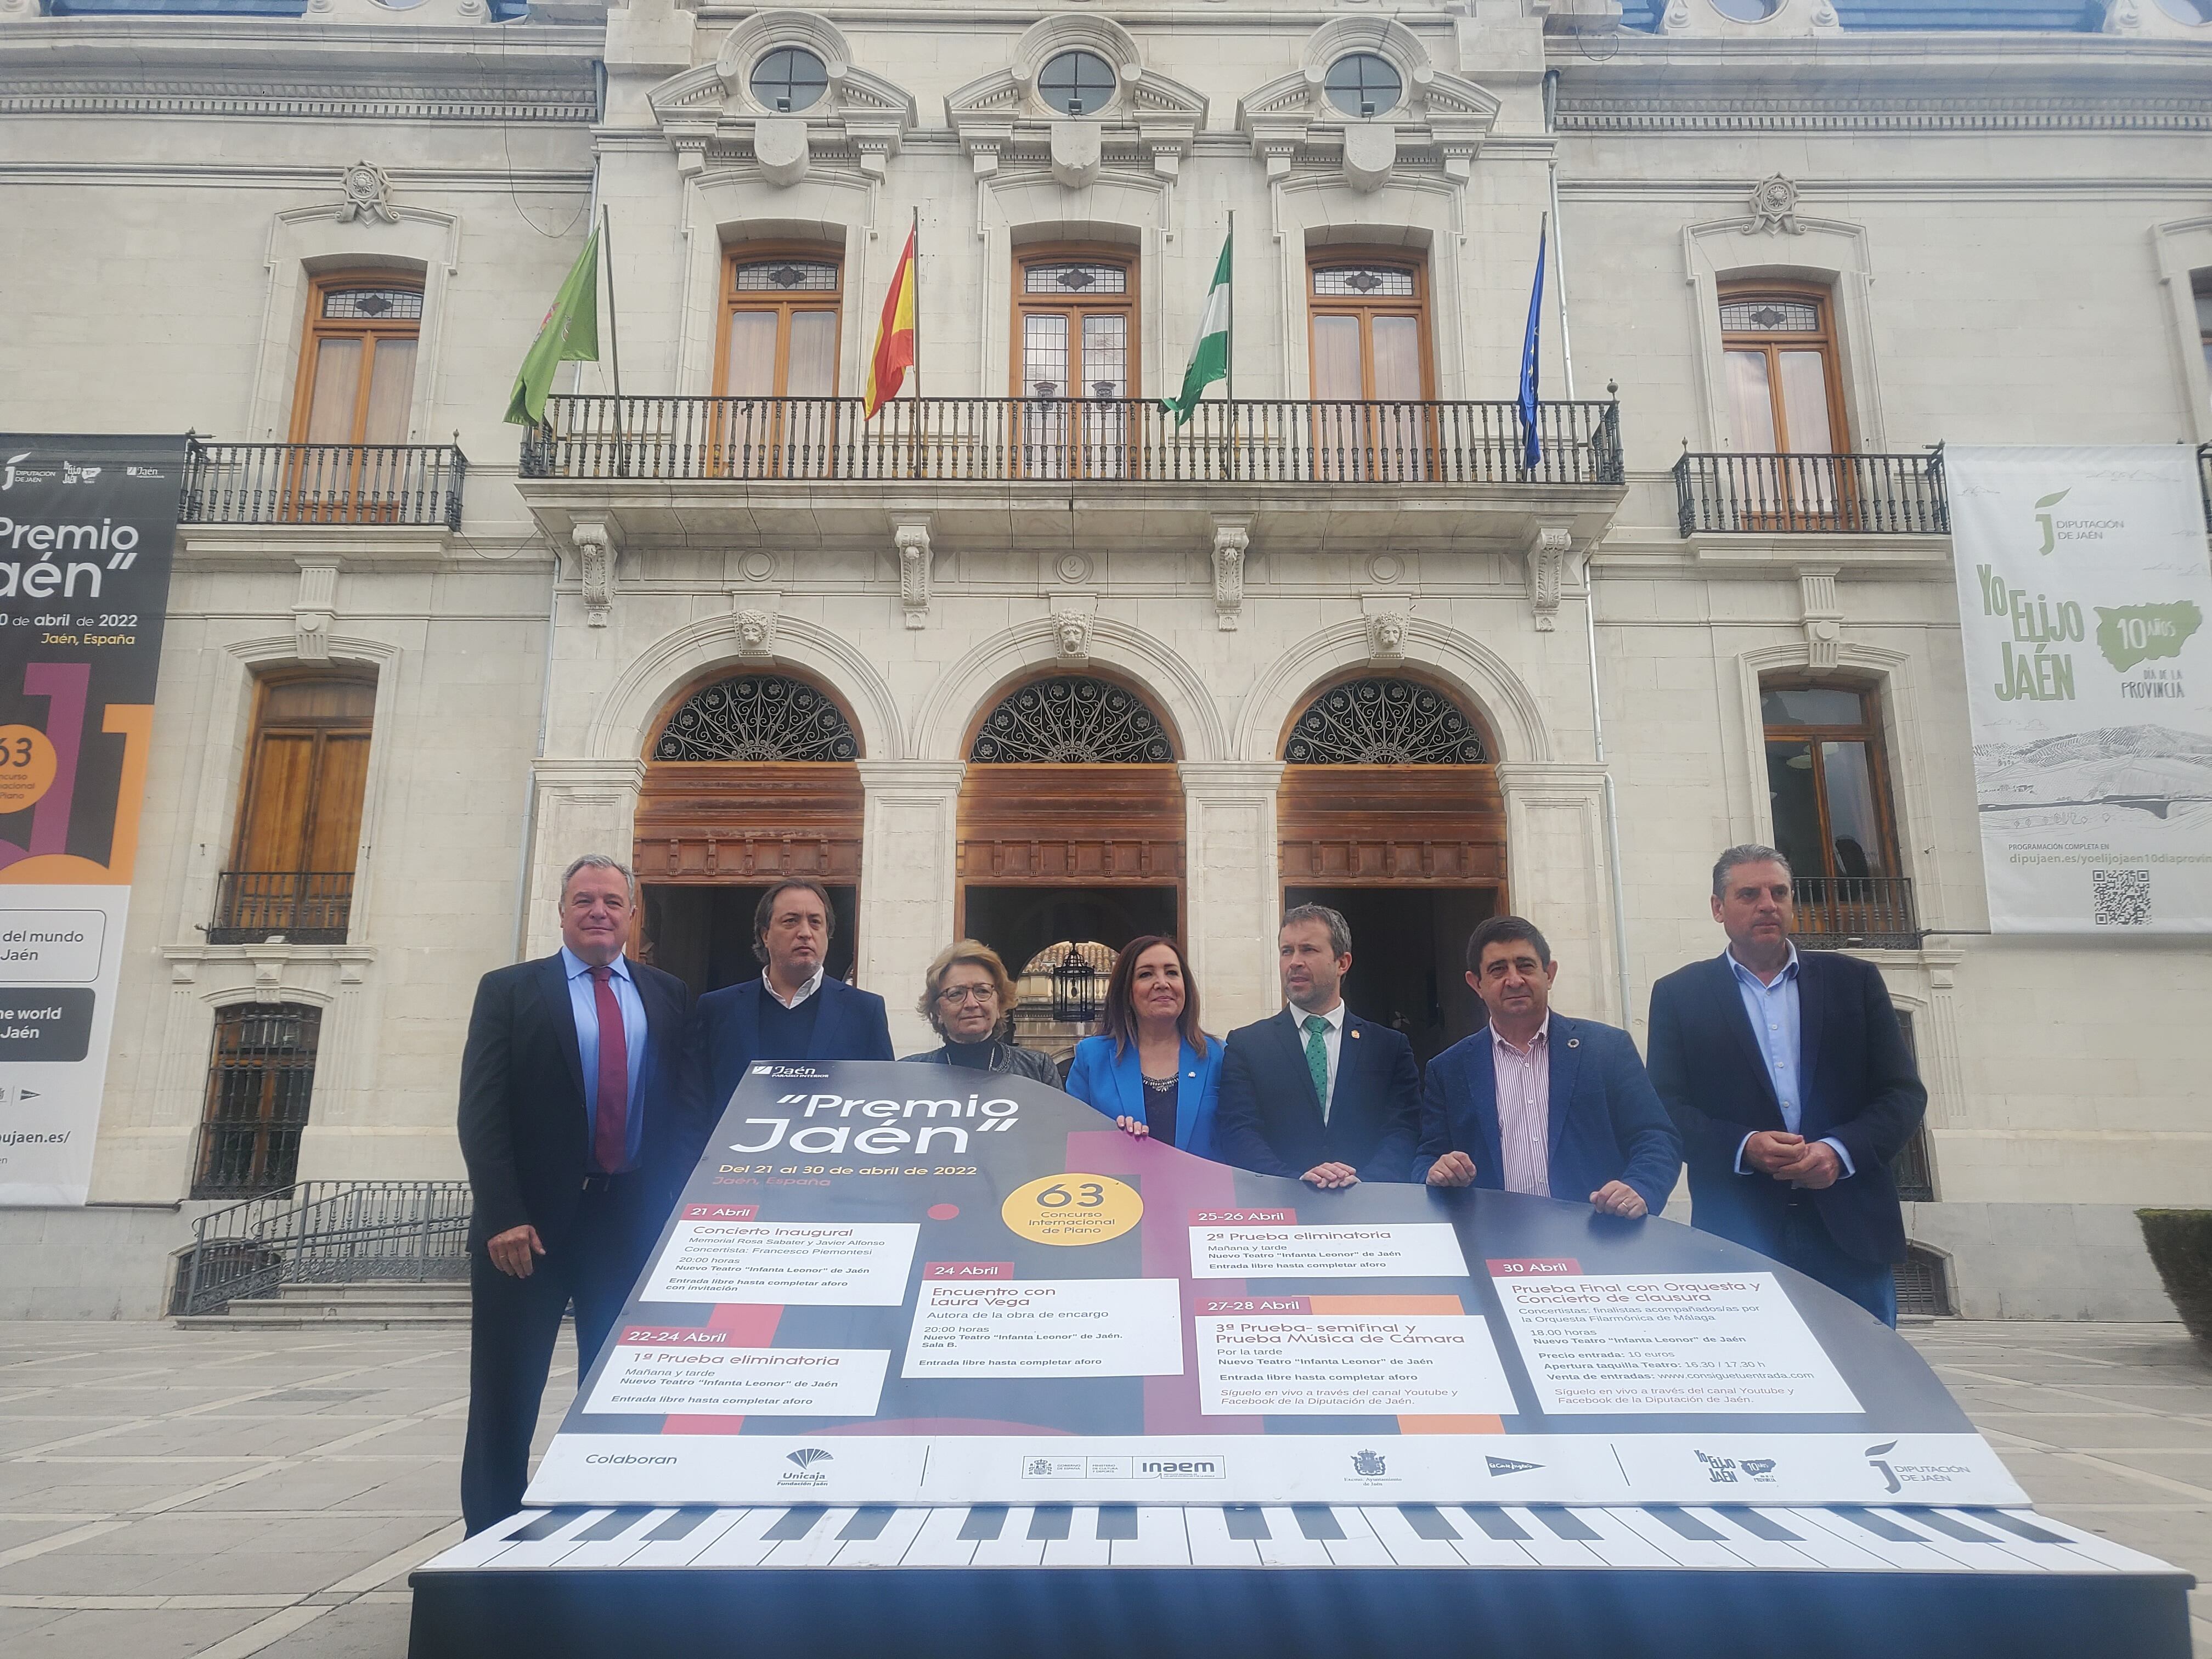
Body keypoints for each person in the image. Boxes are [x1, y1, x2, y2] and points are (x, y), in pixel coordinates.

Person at [455, 855, 698, 1535]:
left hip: (626, 1222)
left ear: (632, 915)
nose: (599, 911)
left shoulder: (666, 994)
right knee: (507, 1391)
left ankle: (608, 1527)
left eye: (613, 901)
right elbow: (482, 1110)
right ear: (561, 912)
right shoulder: (508, 990)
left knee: (618, 1390)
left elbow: (680, 1110)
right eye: (584, 900)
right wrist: (503, 1213)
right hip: (526, 1232)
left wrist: (672, 1206)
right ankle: (491, 1538)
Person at [1647, 844, 1928, 1325]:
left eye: (1779, 892)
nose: (1767, 905)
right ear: (1718, 908)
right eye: (1749, 894)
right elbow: (1665, 1109)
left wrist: (1839, 1152)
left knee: (1866, 1386)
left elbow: (1903, 1095)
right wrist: (1745, 1146)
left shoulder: (1854, 983)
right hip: (1737, 1234)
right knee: (1753, 1392)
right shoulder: (1679, 995)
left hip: (1849, 1231)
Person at [1413, 915, 1680, 1218]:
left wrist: (1640, 1188)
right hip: (1493, 1239)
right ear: (1477, 984)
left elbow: (1656, 1137)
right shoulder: (1449, 1069)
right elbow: (1426, 1159)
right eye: (1498, 970)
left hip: (1597, 1233)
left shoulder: (1608, 1049)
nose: (1514, 980)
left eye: (1525, 965)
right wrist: (1437, 1172)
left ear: (1549, 974)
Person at [1215, 904, 1420, 1188]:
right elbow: (1239, 1131)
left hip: (1370, 1210)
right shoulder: (1247, 1045)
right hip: (1279, 1207)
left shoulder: (1388, 1047)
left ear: (1342, 963)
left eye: (1308, 950)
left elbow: (1403, 1129)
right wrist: (1294, 1183)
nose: (1294, 962)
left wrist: (1366, 1184)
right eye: (1287, 951)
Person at [688, 878, 893, 1119]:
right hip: (734, 1156)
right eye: (791, 921)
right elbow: (694, 1105)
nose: (805, 933)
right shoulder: (718, 1009)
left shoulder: (865, 1012)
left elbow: (883, 1104)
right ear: (765, 935)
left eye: (816, 922)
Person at [1064, 935, 1224, 1160]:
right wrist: (1110, 1141)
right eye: (1146, 974)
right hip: (1120, 1191)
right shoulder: (1091, 1058)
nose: (1162, 983)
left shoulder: (1220, 1056)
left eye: (1172, 973)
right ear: (1127, 992)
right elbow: (1072, 1144)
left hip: (1204, 1193)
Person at [901, 940, 1060, 1082]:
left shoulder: (1037, 1070)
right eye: (956, 994)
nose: (971, 1004)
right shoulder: (909, 1074)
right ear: (938, 1011)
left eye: (982, 991)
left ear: (999, 1004)